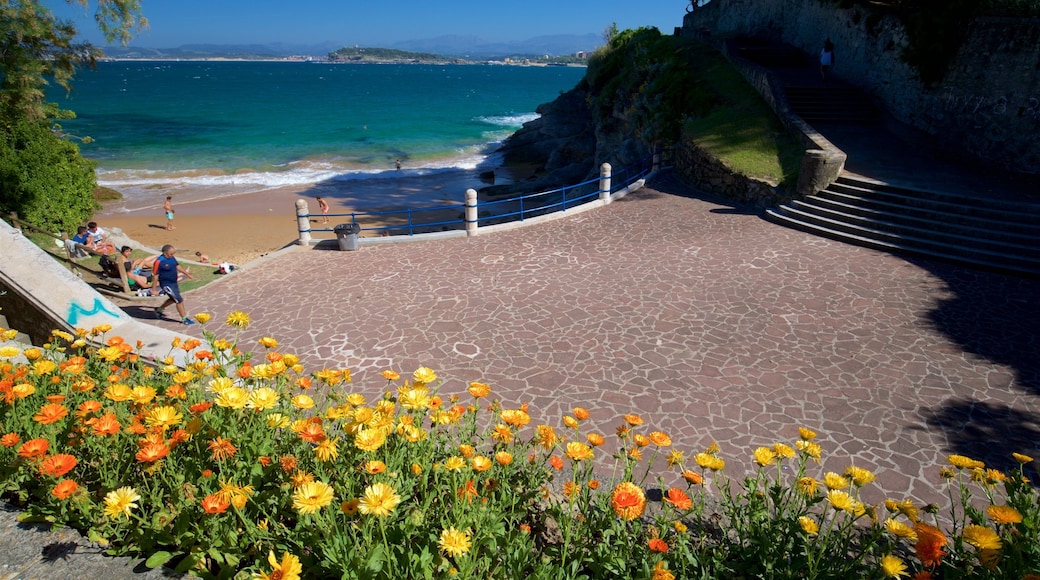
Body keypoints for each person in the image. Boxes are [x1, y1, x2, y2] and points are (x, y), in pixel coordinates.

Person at [152, 244, 194, 325]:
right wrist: (153, 289)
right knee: (179, 300)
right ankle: (184, 318)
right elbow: (155, 275)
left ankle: (159, 310)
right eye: (170, 254)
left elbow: (177, 266)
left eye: (173, 254)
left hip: (174, 282)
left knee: (173, 298)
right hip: (166, 284)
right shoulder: (159, 261)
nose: (172, 255)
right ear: (164, 253)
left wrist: (187, 274)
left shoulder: (172, 258)